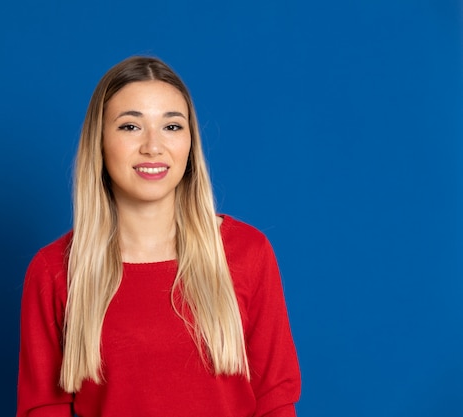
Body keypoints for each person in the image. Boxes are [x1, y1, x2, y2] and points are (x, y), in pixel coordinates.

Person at [16, 56, 301, 417]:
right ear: (100, 142)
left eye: (171, 127)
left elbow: (274, 400)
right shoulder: (54, 270)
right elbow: (43, 408)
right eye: (130, 126)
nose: (153, 146)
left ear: (189, 143)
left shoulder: (247, 252)